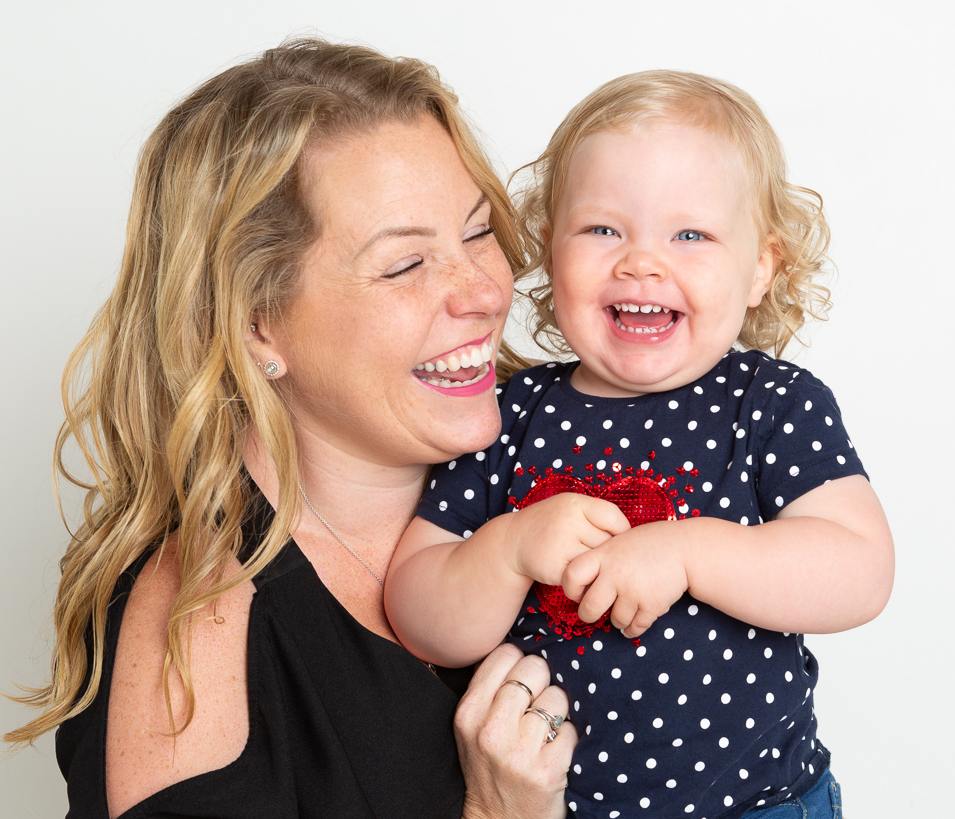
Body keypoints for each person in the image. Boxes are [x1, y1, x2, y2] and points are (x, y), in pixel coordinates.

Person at [3, 39, 578, 819]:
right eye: (405, 266)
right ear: (257, 328)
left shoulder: (561, 454)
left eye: (477, 233)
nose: (481, 290)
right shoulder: (197, 618)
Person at [385, 71, 895, 818]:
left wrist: (688, 552)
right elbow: (417, 612)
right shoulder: (509, 416)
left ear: (761, 268)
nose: (641, 262)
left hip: (766, 803)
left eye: (690, 234)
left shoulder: (769, 404)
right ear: (550, 251)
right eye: (601, 229)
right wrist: (508, 548)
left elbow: (860, 568)